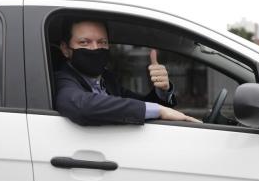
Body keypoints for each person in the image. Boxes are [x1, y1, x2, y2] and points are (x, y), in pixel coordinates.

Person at [55, 17, 201, 125]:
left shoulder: (107, 81)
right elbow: (82, 106)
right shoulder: (61, 79)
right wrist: (159, 110)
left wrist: (162, 89)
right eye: (84, 42)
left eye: (102, 42)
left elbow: (139, 104)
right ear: (65, 49)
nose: (95, 48)